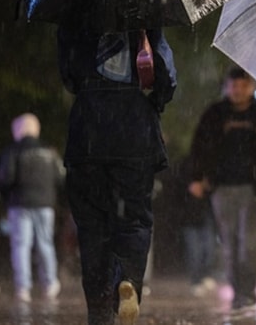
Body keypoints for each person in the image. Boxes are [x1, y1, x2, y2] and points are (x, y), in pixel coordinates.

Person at [57, 23, 176, 325]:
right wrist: (154, 101)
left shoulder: (76, 17)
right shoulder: (146, 17)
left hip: (88, 131)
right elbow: (166, 76)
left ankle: (99, 310)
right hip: (133, 130)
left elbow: (68, 75)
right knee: (134, 219)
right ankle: (128, 279)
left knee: (92, 226)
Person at [189, 67, 256, 310]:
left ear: (251, 87)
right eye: (234, 86)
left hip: (255, 189)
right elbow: (199, 148)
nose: (238, 91)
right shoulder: (214, 114)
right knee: (230, 243)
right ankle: (238, 291)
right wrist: (197, 178)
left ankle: (248, 290)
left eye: (243, 86)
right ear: (227, 87)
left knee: (249, 243)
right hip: (222, 187)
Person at [0, 113, 66, 303]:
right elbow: (60, 178)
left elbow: (5, 178)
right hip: (45, 204)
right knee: (46, 243)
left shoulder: (13, 151)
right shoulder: (49, 151)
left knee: (21, 245)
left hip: (20, 204)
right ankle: (50, 283)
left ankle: (23, 287)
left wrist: (6, 196)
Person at [177, 155, 217, 297]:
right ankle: (196, 281)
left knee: (209, 248)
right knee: (194, 251)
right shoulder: (185, 168)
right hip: (189, 218)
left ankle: (206, 274)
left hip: (205, 216)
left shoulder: (208, 165)